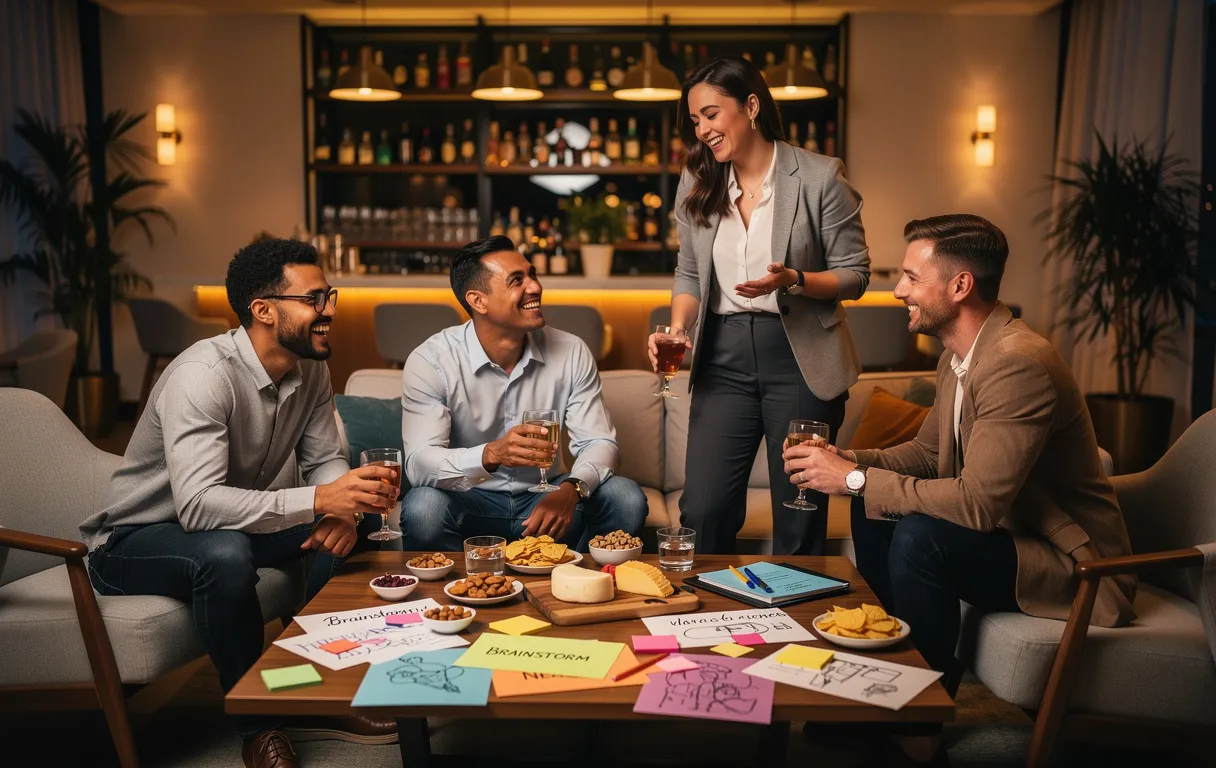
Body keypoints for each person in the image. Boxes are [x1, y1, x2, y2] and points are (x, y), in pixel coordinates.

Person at [784, 214, 1137, 697]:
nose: (898, 292)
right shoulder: (957, 356)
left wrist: (854, 479)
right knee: (876, 513)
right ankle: (883, 679)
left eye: (911, 278)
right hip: (1009, 536)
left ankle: (921, 715)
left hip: (1073, 566)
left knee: (918, 536)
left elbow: (977, 505)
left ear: (960, 286)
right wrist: (851, 460)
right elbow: (928, 453)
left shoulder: (1017, 364)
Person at [81, 239, 399, 768]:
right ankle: (260, 726)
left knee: (367, 528)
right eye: (315, 299)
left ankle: (321, 689)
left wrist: (343, 507)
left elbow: (323, 459)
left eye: (330, 296)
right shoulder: (203, 377)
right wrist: (322, 498)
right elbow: (199, 509)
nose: (330, 312)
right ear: (264, 310)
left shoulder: (310, 366)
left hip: (233, 522)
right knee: (224, 553)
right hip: (136, 541)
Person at [650, 55, 871, 556]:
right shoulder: (697, 180)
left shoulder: (818, 177)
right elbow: (689, 271)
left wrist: (794, 279)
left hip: (799, 357)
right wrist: (679, 328)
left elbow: (856, 274)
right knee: (704, 508)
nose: (702, 129)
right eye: (695, 120)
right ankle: (701, 622)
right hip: (722, 354)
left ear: (751, 106)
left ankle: (793, 629)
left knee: (799, 509)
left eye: (711, 114)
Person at [400, 236, 646, 551]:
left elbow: (600, 442)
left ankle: (575, 580)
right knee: (423, 507)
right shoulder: (431, 361)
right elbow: (419, 463)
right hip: (472, 500)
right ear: (478, 301)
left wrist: (571, 489)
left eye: (532, 275)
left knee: (624, 497)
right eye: (517, 281)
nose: (534, 287)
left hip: (547, 499)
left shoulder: (571, 351)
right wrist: (491, 454)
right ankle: (466, 590)